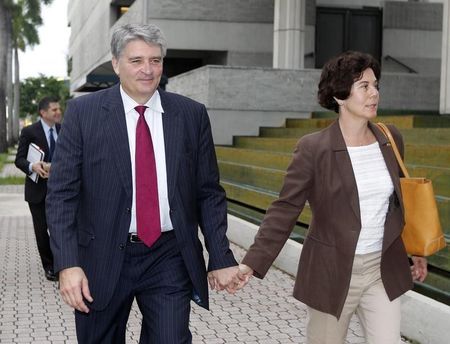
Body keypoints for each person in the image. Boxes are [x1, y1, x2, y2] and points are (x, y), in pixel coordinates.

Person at [46, 23, 239, 343]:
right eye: (137, 60)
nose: (148, 70)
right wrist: (67, 263)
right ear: (116, 63)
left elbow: (208, 192)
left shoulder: (191, 115)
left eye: (155, 60)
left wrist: (220, 257)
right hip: (101, 255)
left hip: (168, 253)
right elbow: (62, 194)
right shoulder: (84, 113)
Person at [237, 51, 428, 344]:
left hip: (382, 268)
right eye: (364, 86)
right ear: (340, 96)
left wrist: (417, 249)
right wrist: (252, 261)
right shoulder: (314, 148)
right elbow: (285, 208)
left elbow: (402, 199)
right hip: (332, 270)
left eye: (376, 85)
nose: (374, 93)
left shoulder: (389, 139)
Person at [15, 96, 62, 282]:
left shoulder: (64, 129)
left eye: (59, 109)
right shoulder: (29, 131)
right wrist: (32, 166)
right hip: (37, 191)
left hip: (60, 189)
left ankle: (62, 263)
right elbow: (19, 160)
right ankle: (49, 266)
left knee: (60, 228)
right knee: (42, 231)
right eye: (54, 110)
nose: (58, 112)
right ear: (43, 113)